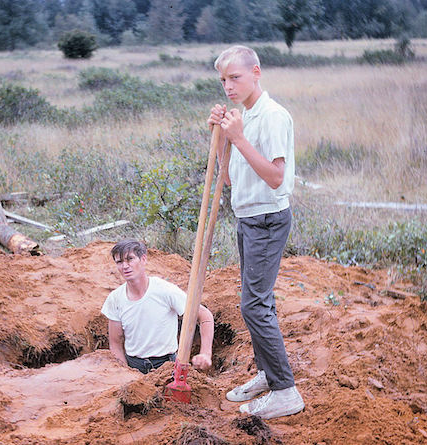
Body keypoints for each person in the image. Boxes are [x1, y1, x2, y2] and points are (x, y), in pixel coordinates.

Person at [206, 45, 304, 419]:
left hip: (266, 219)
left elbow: (277, 177)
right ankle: (267, 373)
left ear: (256, 73)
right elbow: (228, 177)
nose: (228, 86)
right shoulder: (243, 116)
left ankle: (285, 391)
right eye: (223, 80)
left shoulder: (273, 116)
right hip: (248, 217)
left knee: (254, 304)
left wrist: (240, 137)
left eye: (235, 78)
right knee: (256, 300)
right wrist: (222, 137)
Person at [101, 239, 214, 374]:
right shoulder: (115, 299)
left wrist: (206, 353)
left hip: (166, 365)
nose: (125, 266)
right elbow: (115, 344)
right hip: (134, 366)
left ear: (143, 259)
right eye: (119, 262)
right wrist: (125, 374)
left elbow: (204, 315)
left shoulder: (164, 290)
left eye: (130, 259)